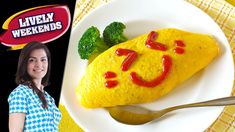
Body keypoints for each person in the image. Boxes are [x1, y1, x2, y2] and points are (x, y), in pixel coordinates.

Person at [8, 41, 62, 131]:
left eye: (43, 59)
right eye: (32, 60)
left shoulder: (49, 98)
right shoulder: (20, 94)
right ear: (24, 63)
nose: (39, 65)